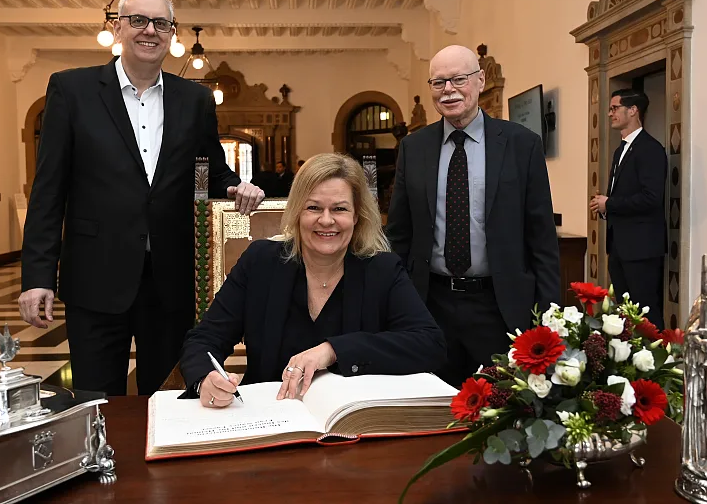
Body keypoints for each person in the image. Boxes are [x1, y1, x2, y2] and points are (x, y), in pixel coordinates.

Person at [18, 0, 265, 397]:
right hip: (95, 276)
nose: (150, 31)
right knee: (96, 402)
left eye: (161, 23)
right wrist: (37, 276)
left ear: (172, 33)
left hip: (171, 279)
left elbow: (210, 169)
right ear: (118, 27)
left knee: (171, 398)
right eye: (138, 20)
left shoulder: (195, 99)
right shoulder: (71, 91)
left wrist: (236, 187)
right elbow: (48, 189)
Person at [179, 153, 446, 406]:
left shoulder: (382, 269)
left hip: (353, 421)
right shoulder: (260, 262)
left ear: (356, 215)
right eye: (314, 207)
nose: (326, 220)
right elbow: (204, 339)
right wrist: (205, 380)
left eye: (339, 209)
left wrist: (333, 350)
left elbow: (429, 344)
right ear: (297, 212)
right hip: (272, 415)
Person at [386, 45, 560, 387]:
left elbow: (541, 237)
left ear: (480, 81)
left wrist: (549, 316)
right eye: (438, 82)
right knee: (433, 410)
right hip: (429, 305)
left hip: (500, 305)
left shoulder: (521, 144)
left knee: (502, 408)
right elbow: (399, 234)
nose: (448, 90)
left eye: (458, 79)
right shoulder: (414, 148)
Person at [590, 89, 666, 329]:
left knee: (645, 312)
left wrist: (609, 203)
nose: (610, 113)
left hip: (641, 248)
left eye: (615, 108)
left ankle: (658, 362)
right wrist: (605, 207)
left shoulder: (650, 148)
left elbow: (651, 198)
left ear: (633, 110)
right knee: (625, 312)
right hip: (620, 246)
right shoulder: (620, 150)